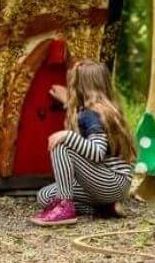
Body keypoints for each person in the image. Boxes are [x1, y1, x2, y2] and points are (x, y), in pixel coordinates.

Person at [31, 60, 136, 226]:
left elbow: (97, 152)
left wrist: (67, 136)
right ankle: (104, 209)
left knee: (62, 144)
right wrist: (68, 102)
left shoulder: (92, 114)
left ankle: (65, 206)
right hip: (111, 185)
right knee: (45, 196)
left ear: (80, 87)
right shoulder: (101, 109)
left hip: (110, 181)